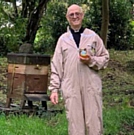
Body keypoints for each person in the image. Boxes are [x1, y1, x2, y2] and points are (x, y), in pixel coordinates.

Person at [49, 4, 109, 135]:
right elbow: (56, 66)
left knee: (94, 124)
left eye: (77, 14)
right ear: (67, 17)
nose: (75, 17)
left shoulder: (92, 36)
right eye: (71, 15)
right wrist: (54, 89)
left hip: (91, 87)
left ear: (82, 16)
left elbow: (105, 58)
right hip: (71, 88)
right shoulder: (63, 40)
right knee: (75, 126)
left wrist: (91, 61)